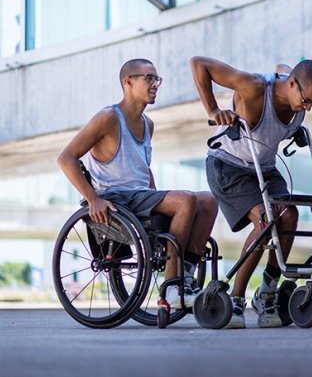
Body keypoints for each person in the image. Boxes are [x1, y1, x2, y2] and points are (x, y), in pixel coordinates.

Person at [57, 59, 218, 311]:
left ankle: (185, 274)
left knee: (208, 200)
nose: (155, 84)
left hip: (141, 196)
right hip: (116, 197)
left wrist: (160, 198)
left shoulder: (147, 124)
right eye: (149, 78)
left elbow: (143, 168)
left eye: (157, 79)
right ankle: (172, 288)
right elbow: (66, 157)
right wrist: (92, 198)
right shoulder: (108, 117)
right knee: (185, 199)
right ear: (128, 82)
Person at [189, 56, 312, 328]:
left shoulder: (293, 88)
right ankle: (236, 299)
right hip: (228, 165)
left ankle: (266, 292)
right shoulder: (253, 87)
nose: (307, 109)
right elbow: (198, 64)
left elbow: (282, 67)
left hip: (262, 167)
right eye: (306, 100)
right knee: (266, 221)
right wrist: (213, 109)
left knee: (289, 215)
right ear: (292, 85)